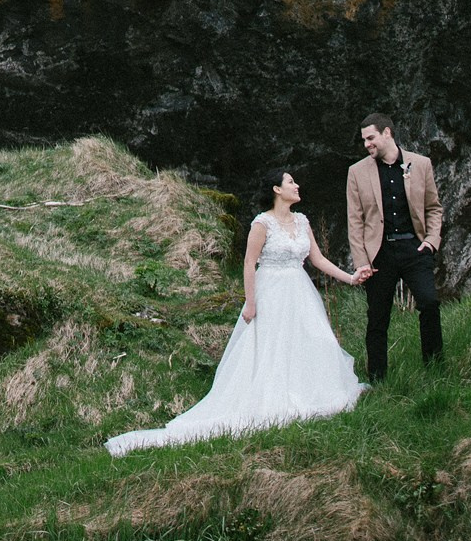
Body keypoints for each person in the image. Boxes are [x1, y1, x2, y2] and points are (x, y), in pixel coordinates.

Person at [105, 169, 366, 457]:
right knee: (271, 348)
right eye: (291, 181)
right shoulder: (262, 223)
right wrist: (251, 303)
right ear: (277, 189)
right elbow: (249, 263)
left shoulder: (302, 221)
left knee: (312, 340)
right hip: (272, 293)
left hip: (300, 292)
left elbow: (317, 259)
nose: (297, 185)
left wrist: (351, 277)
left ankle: (310, 389)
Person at [346, 113, 443, 382]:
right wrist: (362, 261)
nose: (366, 143)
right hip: (379, 253)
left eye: (371, 137)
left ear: (387, 133)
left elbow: (434, 208)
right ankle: (377, 380)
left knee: (430, 303)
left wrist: (431, 242)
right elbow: (355, 221)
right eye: (364, 139)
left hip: (415, 248)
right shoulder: (356, 172)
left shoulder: (421, 164)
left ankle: (435, 369)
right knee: (377, 317)